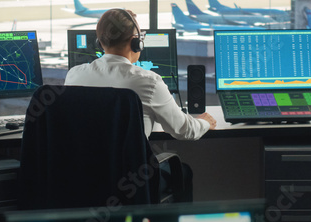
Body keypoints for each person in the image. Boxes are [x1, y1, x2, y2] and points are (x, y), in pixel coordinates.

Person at [64, 8, 216, 139]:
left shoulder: (74, 75)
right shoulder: (149, 82)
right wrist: (204, 122)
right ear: (136, 43)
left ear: (100, 42)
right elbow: (184, 130)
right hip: (130, 171)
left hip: (81, 170)